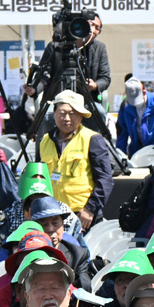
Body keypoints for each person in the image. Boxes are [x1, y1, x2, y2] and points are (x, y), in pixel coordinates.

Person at [37, 92, 113, 224]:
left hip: (82, 215)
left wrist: (90, 209)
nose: (67, 118)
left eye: (72, 113)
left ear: (81, 116)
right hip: (53, 214)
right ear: (54, 114)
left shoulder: (92, 139)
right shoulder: (45, 140)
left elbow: (105, 179)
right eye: (62, 113)